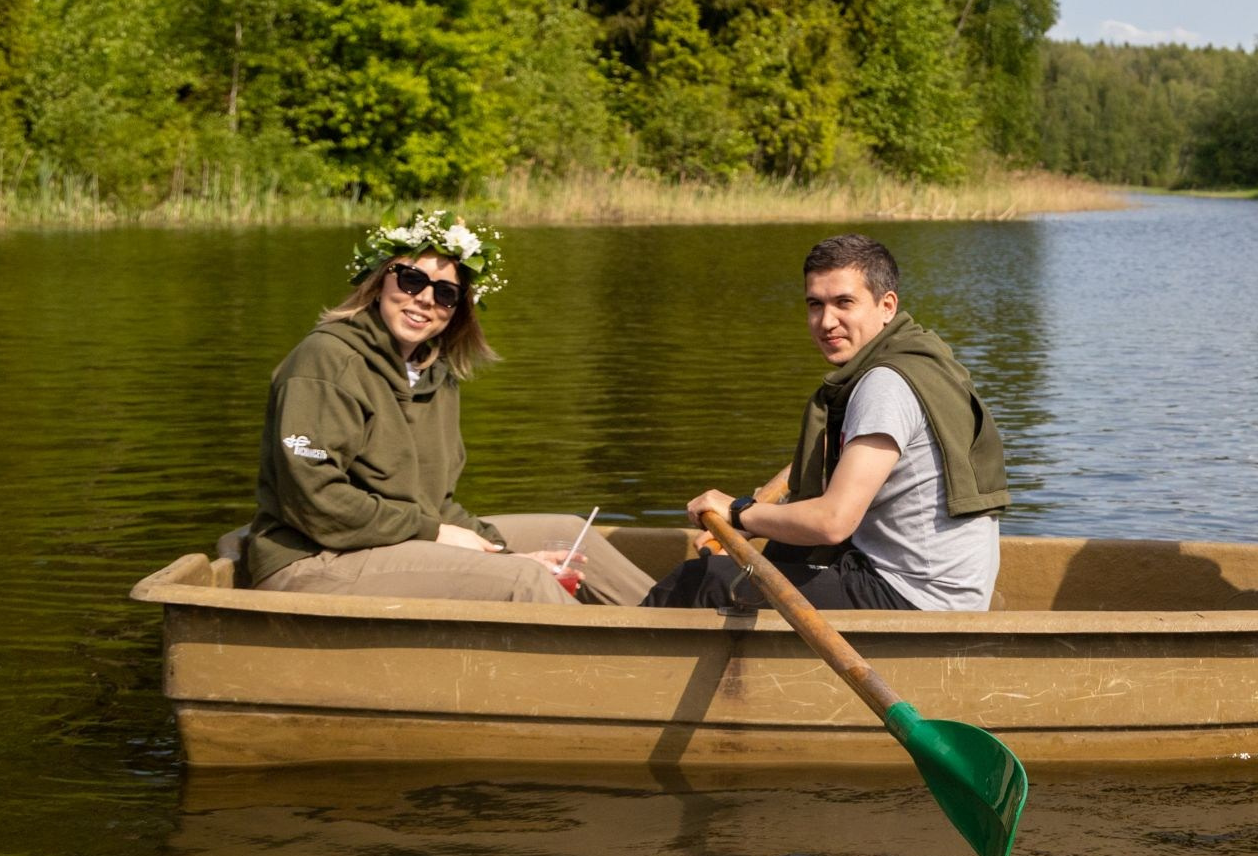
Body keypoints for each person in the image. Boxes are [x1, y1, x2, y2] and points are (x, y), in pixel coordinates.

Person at [243, 211, 658, 606]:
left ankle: (678, 628)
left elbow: (434, 502)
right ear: (379, 281)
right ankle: (623, 657)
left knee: (569, 534)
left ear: (458, 309)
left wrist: (496, 550)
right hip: (312, 560)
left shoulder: (433, 376)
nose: (425, 299)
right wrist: (444, 537)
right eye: (411, 280)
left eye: (445, 293)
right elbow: (314, 500)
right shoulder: (325, 361)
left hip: (396, 543)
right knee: (524, 580)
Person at [648, 233, 1007, 612]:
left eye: (844, 303)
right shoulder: (919, 358)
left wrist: (736, 511)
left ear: (887, 306)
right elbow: (837, 473)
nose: (826, 321)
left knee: (702, 580)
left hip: (916, 599)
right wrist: (756, 519)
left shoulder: (885, 384)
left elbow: (833, 522)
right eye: (815, 304)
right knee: (781, 547)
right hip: (937, 587)